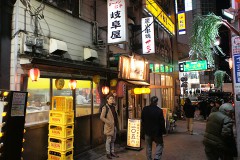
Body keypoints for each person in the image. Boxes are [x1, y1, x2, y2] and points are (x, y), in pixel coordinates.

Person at [100, 94, 119, 159]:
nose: (112, 100)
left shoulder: (114, 106)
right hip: (109, 127)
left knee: (113, 140)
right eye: (110, 99)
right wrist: (109, 122)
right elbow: (101, 117)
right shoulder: (105, 107)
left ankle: (112, 152)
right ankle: (108, 153)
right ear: (107, 100)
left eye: (112, 98)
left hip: (115, 126)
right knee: (108, 140)